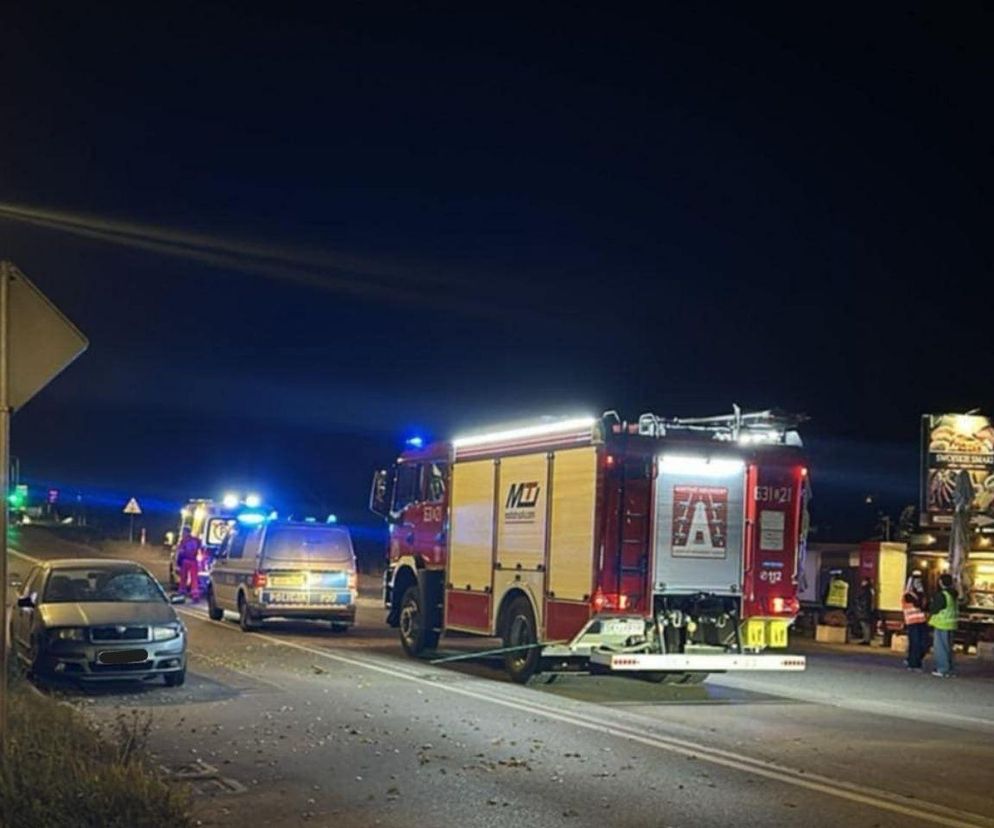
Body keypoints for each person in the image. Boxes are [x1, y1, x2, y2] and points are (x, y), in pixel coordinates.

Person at [928, 572, 959, 677]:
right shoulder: (954, 594)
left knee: (940, 648)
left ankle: (942, 669)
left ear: (941, 582)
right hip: (952, 624)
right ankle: (949, 669)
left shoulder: (942, 595)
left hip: (942, 624)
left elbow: (934, 609)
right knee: (949, 648)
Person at [901, 569, 928, 670]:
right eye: (916, 580)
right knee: (916, 643)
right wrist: (921, 595)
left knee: (923, 643)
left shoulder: (920, 594)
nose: (918, 582)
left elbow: (924, 605)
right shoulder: (908, 594)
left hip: (921, 621)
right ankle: (913, 663)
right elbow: (919, 604)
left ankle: (913, 660)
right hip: (912, 622)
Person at [175, 526, 202, 601]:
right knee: (193, 579)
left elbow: (180, 552)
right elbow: (199, 548)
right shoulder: (195, 540)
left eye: (184, 532)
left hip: (186, 561)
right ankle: (194, 594)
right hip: (193, 561)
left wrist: (178, 563)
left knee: (184, 578)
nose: (183, 534)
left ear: (186, 532)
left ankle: (183, 593)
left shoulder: (184, 541)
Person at [855, 577, 876, 645]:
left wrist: (860, 607)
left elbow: (863, 601)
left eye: (863, 581)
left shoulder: (865, 591)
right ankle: (866, 639)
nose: (862, 582)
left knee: (865, 625)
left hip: (864, 611)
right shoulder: (870, 590)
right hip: (867, 610)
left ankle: (866, 640)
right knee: (865, 625)